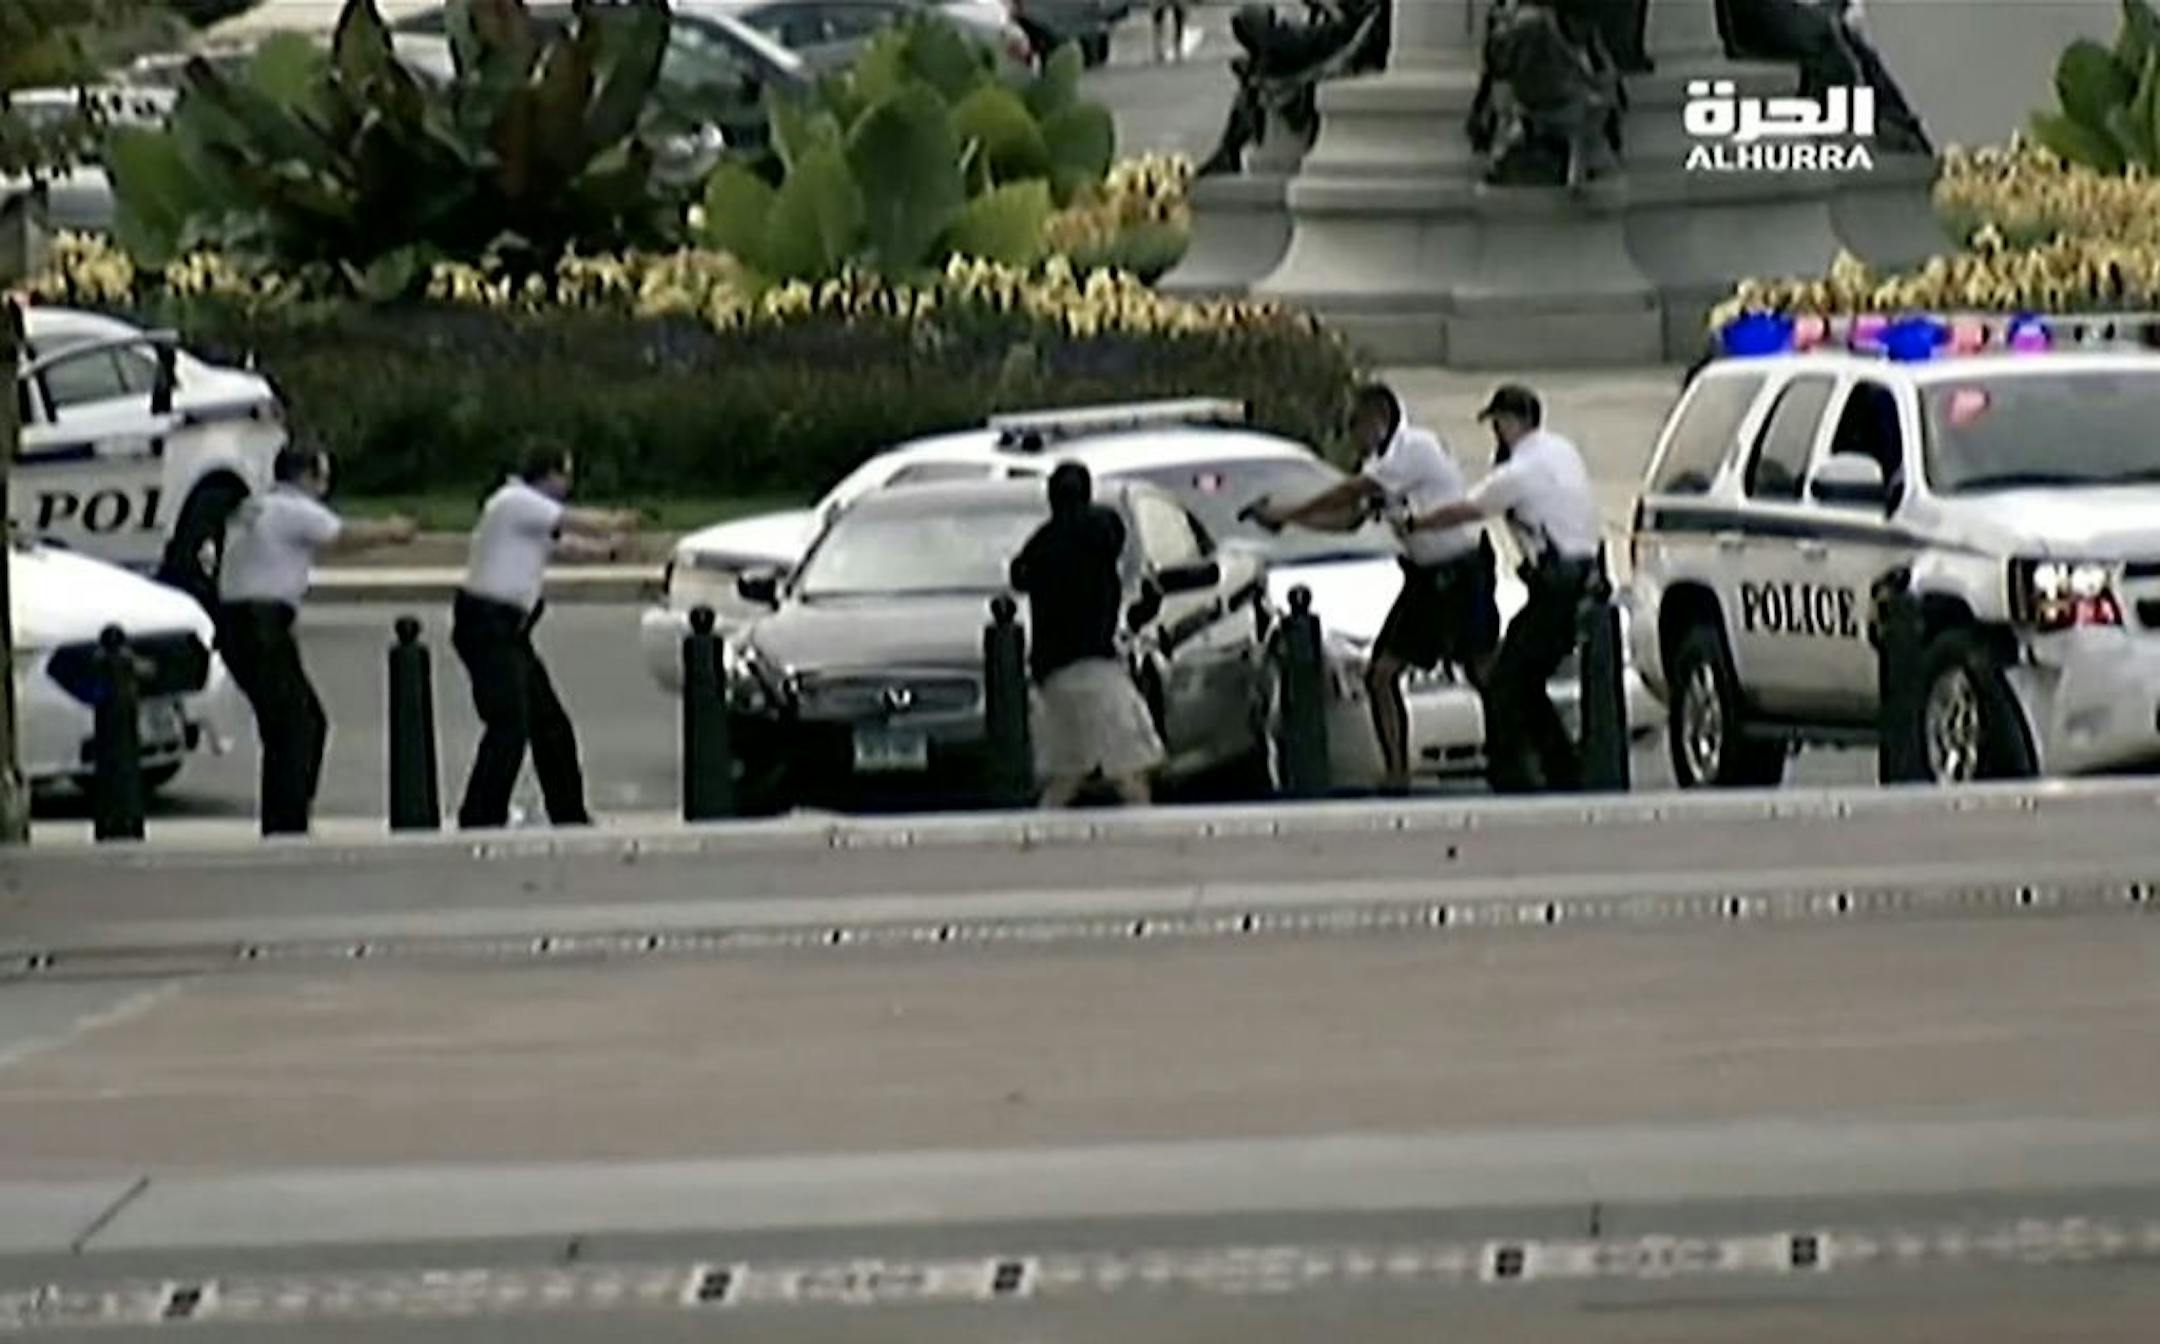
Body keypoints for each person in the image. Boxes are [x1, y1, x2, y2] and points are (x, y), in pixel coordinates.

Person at [1250, 383, 1499, 795]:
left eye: (1356, 425)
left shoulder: (1414, 449)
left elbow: (1354, 491)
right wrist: (1289, 521)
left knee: (1484, 671)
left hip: (1461, 572)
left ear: (1379, 421)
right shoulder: (1382, 462)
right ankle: (1397, 771)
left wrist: (1289, 510)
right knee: (1381, 673)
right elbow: (1349, 518)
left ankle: (1513, 756)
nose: (1354, 436)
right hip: (1423, 578)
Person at [1401, 384, 1601, 794]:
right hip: (1588, 577)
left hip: (1556, 586)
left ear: (1511, 423)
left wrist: (1417, 524)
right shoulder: (1561, 450)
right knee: (1525, 679)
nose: (1495, 434)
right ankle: (1562, 768)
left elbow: (1468, 509)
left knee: (1507, 680)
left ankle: (1513, 773)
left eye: (1497, 424)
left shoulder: (1519, 472)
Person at [215, 446, 417, 835]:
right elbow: (342, 537)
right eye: (322, 475)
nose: (325, 485)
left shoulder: (257, 506)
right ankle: (287, 821)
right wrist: (393, 531)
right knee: (299, 725)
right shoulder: (294, 508)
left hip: (238, 622)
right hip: (262, 622)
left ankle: (284, 816)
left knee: (287, 723)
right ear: (306, 475)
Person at [452, 442, 639, 830]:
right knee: (508, 724)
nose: (568, 483)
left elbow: (564, 546)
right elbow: (577, 522)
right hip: (488, 625)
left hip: (511, 630)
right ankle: (481, 814)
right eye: (565, 474)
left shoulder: (528, 515)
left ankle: (568, 813)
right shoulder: (515, 500)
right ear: (549, 474)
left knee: (549, 724)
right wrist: (617, 521)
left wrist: (607, 554)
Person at [1009, 462, 1166, 808]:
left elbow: (1018, 575)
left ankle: (1040, 831)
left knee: (1069, 769)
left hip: (1051, 670)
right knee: (1129, 765)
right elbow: (1115, 537)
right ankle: (1147, 835)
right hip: (1094, 664)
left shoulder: (1042, 543)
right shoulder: (1100, 529)